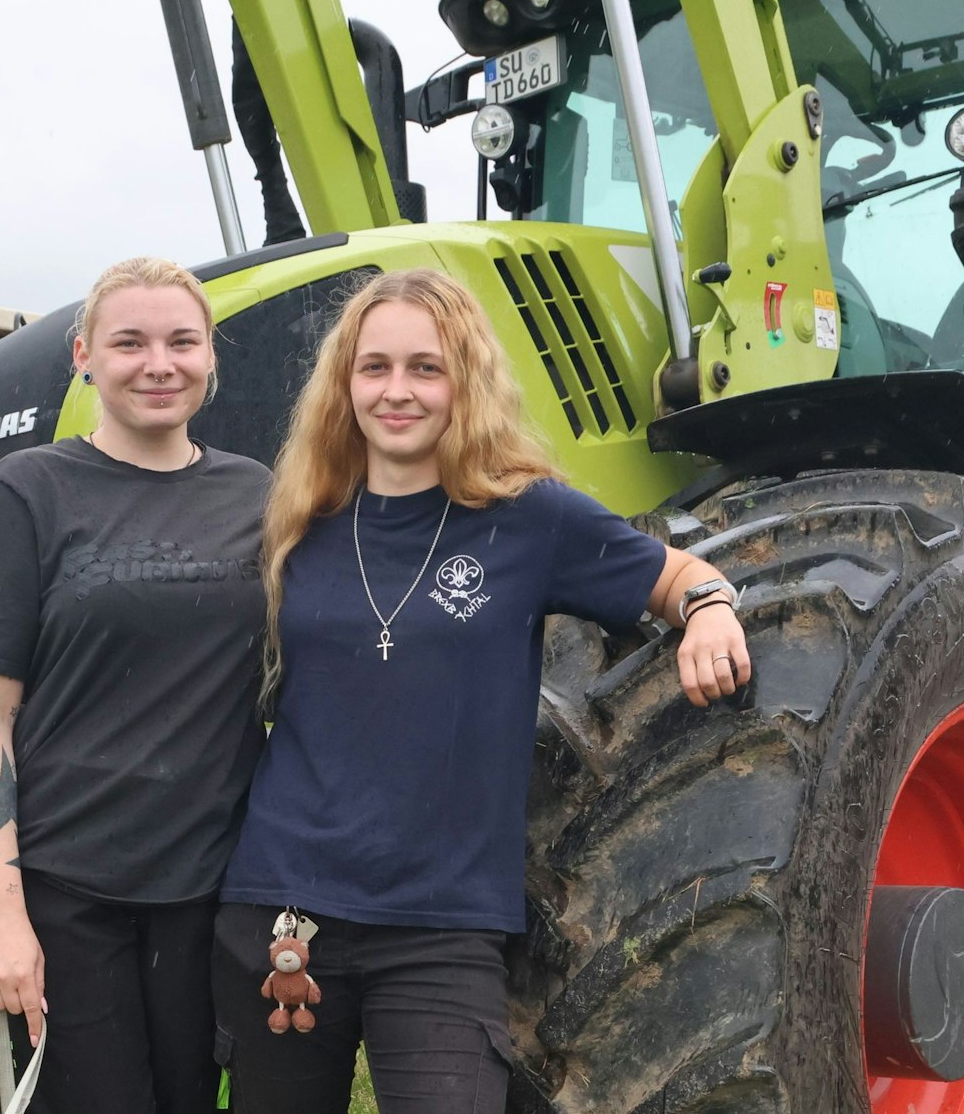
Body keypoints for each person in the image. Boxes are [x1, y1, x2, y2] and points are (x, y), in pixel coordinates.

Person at [213, 269, 752, 1112]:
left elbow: (674, 574)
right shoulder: (299, 521)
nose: (398, 391)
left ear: (465, 381)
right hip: (288, 914)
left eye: (425, 368)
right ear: (343, 383)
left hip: (441, 923)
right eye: (374, 367)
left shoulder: (530, 518)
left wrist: (712, 607)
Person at [0, 257, 270, 1114]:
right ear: (84, 355)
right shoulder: (30, 491)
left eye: (180, 342)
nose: (158, 363)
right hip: (64, 890)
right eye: (129, 343)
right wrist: (3, 917)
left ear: (211, 359)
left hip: (207, 889)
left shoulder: (255, 495)